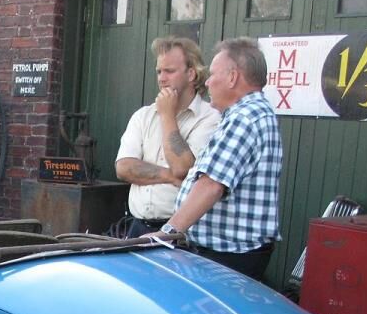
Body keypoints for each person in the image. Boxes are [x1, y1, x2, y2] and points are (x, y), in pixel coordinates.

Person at [158, 37, 282, 282]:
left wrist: (167, 233)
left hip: (227, 258)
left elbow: (212, 184)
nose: (208, 81)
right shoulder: (253, 113)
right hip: (230, 255)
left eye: (213, 74)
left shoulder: (245, 118)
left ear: (233, 77)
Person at [115, 36, 219, 236]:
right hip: (136, 227)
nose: (161, 78)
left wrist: (167, 116)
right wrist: (169, 176)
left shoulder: (210, 118)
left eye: (169, 71)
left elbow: (183, 168)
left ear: (191, 74)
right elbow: (124, 167)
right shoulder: (143, 116)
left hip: (180, 233)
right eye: (159, 71)